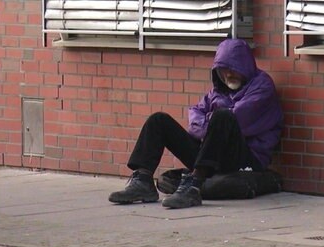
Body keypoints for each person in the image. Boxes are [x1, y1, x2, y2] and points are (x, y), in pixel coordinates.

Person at [109, 38, 283, 209]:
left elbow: (239, 120)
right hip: (211, 154)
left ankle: (193, 186)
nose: (228, 74)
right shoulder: (218, 90)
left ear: (245, 67)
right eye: (223, 69)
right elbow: (194, 119)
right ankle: (143, 181)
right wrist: (210, 125)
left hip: (246, 157)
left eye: (233, 69)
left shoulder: (262, 86)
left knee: (223, 117)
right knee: (158, 120)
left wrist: (210, 121)